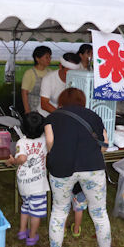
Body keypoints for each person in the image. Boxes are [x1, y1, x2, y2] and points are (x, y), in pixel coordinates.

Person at [45, 87, 111, 247]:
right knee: (99, 213)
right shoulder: (94, 116)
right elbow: (104, 145)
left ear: (61, 101)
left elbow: (50, 143)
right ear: (82, 101)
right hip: (92, 168)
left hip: (61, 168)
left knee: (59, 212)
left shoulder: (52, 117)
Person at [40, 52, 87, 235]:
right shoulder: (49, 79)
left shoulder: (78, 80)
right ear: (60, 67)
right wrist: (64, 114)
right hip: (50, 121)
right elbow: (44, 104)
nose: (71, 77)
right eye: (68, 72)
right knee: (50, 153)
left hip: (70, 122)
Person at [5, 112, 49, 246]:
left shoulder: (21, 142)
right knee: (35, 212)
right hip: (37, 185)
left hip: (24, 183)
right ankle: (31, 236)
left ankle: (22, 230)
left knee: (25, 206)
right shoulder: (45, 139)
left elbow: (22, 158)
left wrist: (13, 161)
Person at [21, 46, 52, 114]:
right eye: (46, 57)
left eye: (50, 57)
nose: (49, 59)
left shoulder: (50, 72)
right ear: (37, 58)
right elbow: (24, 93)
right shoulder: (29, 73)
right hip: (34, 110)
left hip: (47, 110)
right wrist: (27, 110)